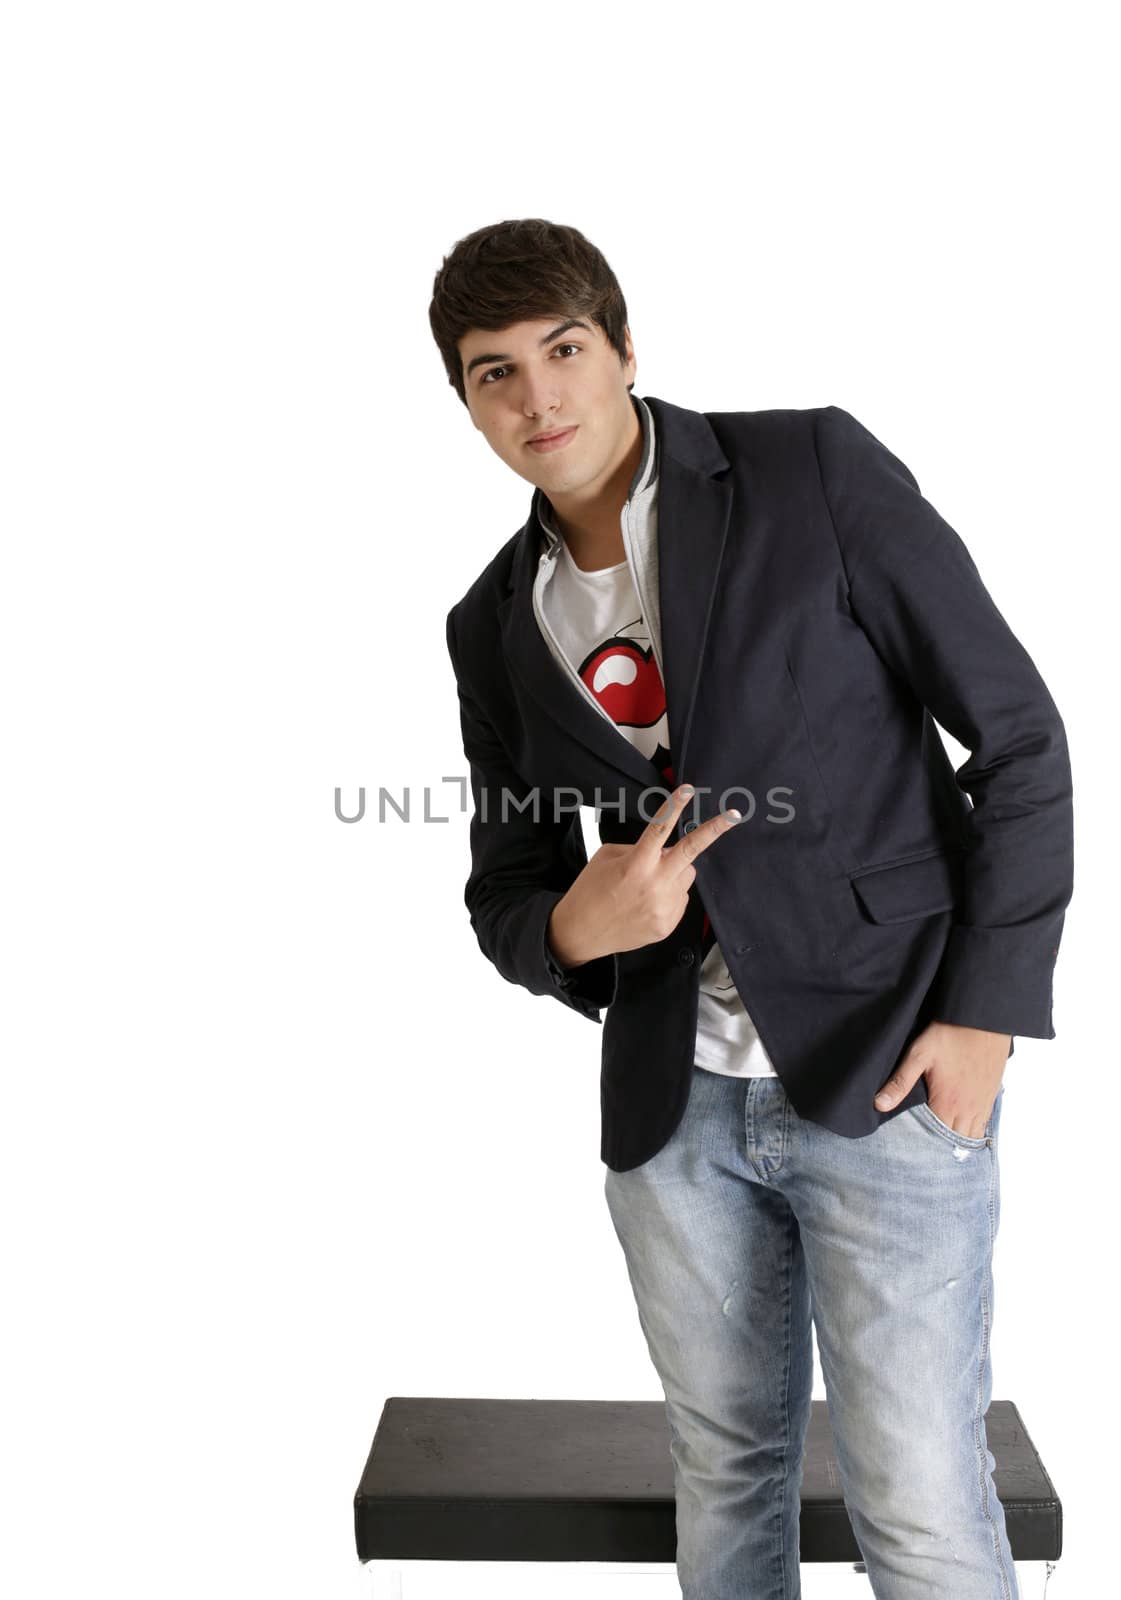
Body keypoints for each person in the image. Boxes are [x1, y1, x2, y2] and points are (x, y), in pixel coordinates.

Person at [429, 218, 1074, 1600]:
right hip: (674, 1110)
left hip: (890, 1062)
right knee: (724, 1478)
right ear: (467, 406)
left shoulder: (807, 469)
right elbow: (506, 882)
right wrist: (566, 935)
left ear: (621, 351)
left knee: (915, 1496)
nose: (537, 395)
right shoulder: (490, 620)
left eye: (562, 350)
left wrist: (982, 1021)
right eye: (494, 373)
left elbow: (1018, 737)